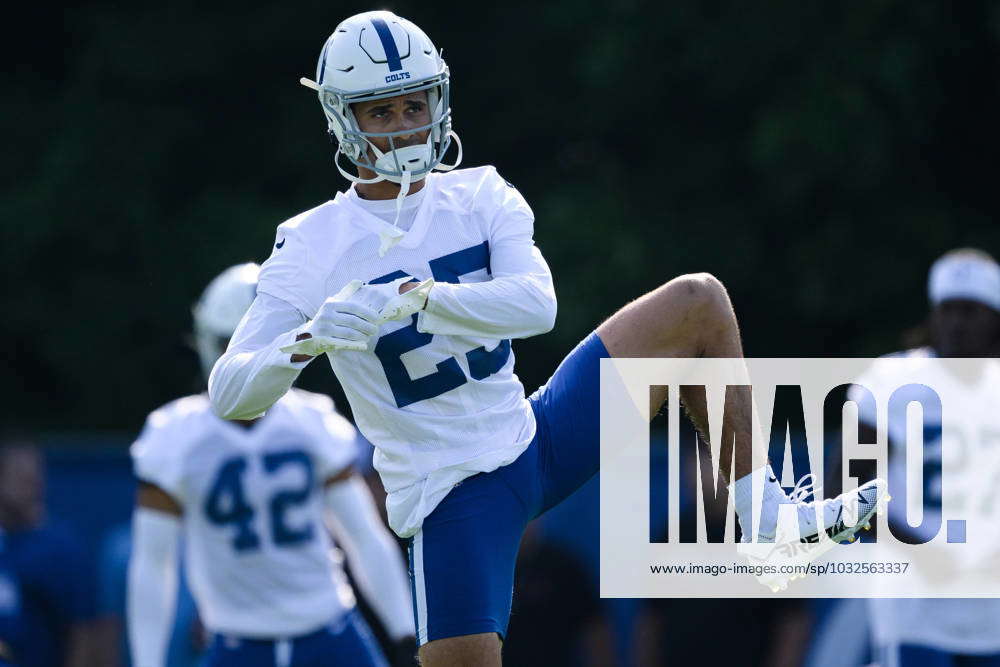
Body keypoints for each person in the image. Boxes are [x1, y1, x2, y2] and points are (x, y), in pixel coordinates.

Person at [208, 11, 887, 665]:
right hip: (452, 494)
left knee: (698, 302)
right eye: (381, 112)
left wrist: (421, 299)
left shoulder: (480, 194)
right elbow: (231, 391)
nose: (405, 125)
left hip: (535, 436)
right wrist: (308, 338)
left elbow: (538, 305)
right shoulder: (314, 242)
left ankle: (765, 521)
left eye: (415, 105)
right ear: (342, 119)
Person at [128, 263, 415, 667]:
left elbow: (363, 536)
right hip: (237, 643)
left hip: (329, 630)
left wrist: (405, 634)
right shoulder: (174, 437)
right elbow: (153, 565)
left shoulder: (313, 422)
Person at [849, 248, 1000, 667]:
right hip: (913, 602)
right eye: (948, 309)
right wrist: (921, 551)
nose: (957, 323)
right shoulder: (890, 382)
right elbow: (844, 492)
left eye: (971, 311)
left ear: (993, 319)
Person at [0, 439, 102, 667]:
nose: (31, 481)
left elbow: (83, 631)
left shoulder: (62, 549)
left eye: (35, 473)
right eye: (19, 474)